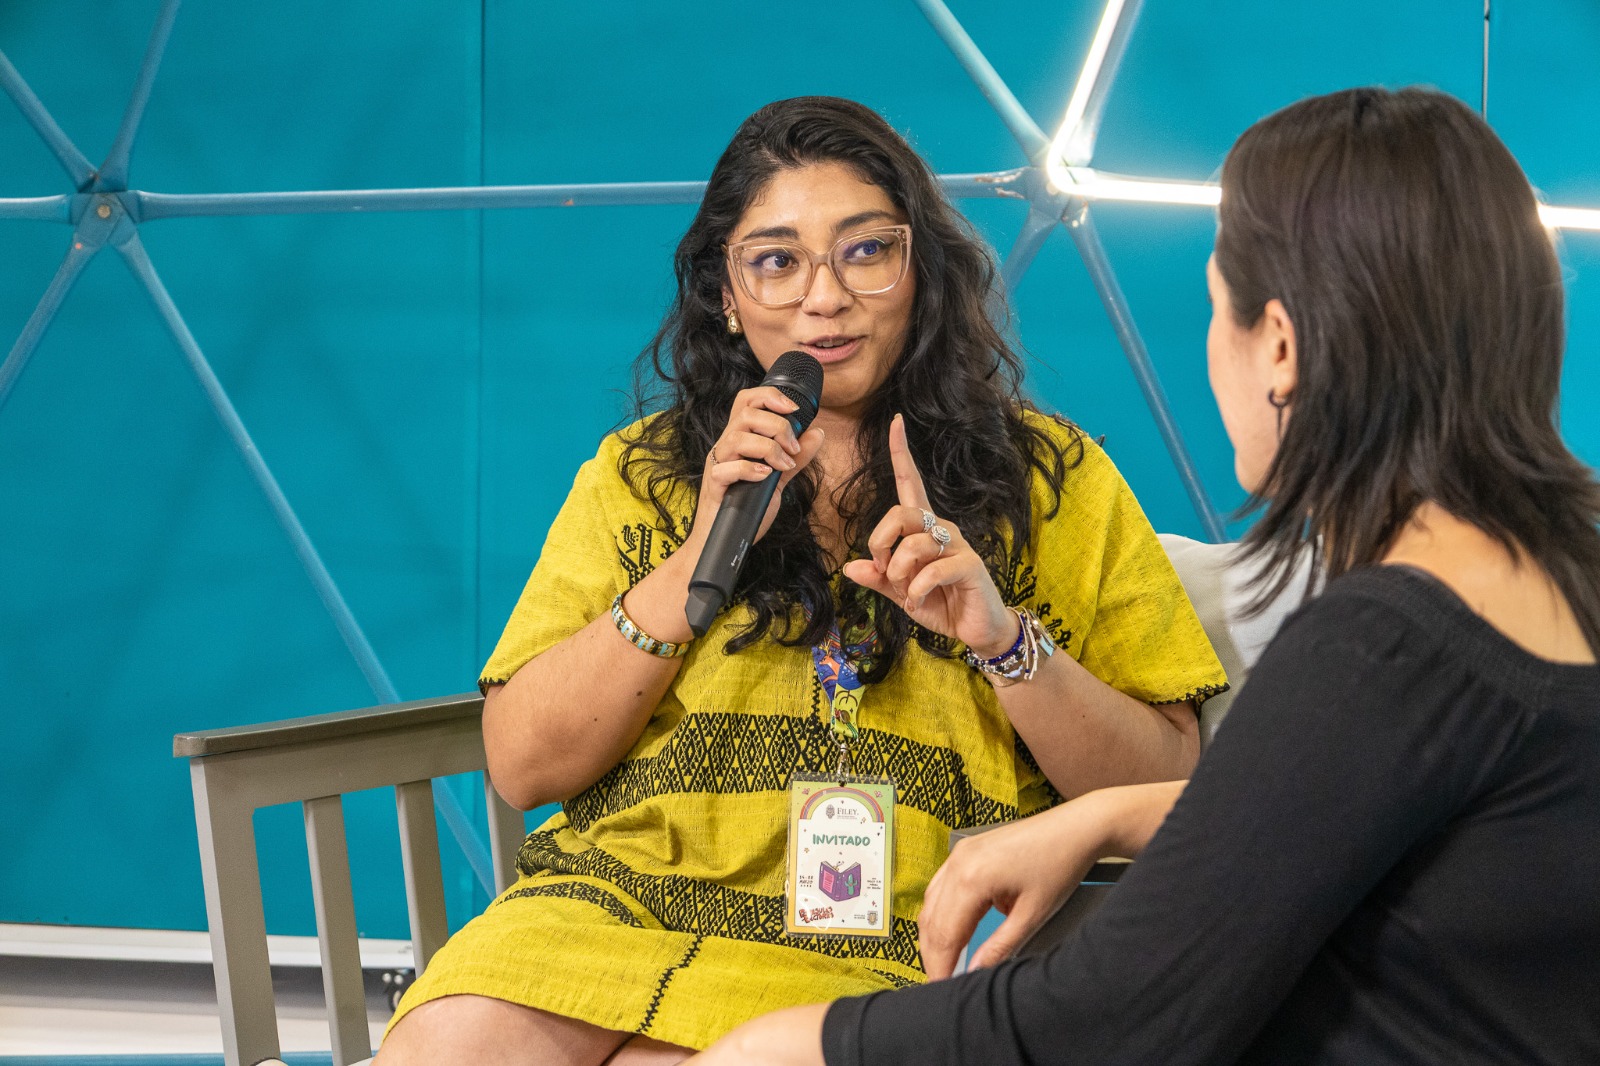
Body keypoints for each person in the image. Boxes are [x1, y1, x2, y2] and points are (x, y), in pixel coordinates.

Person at [692, 86, 1600, 1065]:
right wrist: (1111, 813)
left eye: (1216, 307)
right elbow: (1381, 814)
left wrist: (792, 1047)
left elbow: (1112, 1020)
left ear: (1281, 347)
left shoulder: (1387, 645)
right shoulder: (1553, 582)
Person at [375, 95, 1226, 1066]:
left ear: (921, 271)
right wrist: (696, 560)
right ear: (726, 296)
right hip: (610, 913)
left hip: (896, 947)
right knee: (442, 1045)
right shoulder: (639, 474)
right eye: (776, 261)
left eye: (864, 250)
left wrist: (1001, 640)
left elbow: (1173, 784)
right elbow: (523, 766)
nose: (823, 297)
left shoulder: (1048, 480)